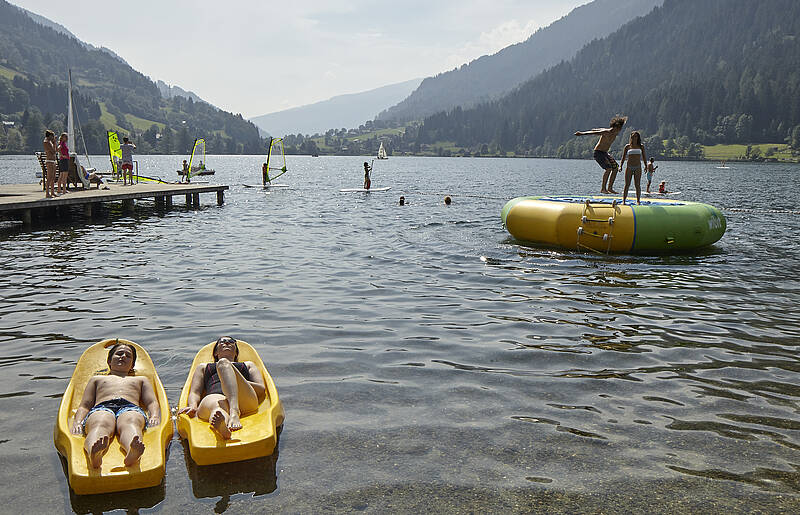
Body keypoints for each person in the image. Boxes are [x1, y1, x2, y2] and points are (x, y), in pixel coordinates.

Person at [69, 343, 161, 469]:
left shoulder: (140, 380)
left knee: (131, 421)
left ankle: (132, 451)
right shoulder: (97, 379)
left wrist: (154, 416)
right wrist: (78, 422)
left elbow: (152, 402)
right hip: (102, 407)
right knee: (100, 422)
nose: (123, 356)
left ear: (132, 365)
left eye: (128, 356)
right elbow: (85, 405)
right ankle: (94, 453)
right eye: (119, 354)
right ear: (109, 361)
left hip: (130, 407)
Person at [178, 336, 266, 439]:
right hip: (216, 397)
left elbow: (261, 389)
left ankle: (234, 411)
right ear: (215, 352)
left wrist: (234, 379)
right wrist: (193, 406)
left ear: (236, 352)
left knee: (224, 363)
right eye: (222, 342)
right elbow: (195, 392)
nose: (227, 343)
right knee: (217, 410)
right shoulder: (204, 367)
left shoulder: (248, 365)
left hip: (243, 399)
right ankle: (221, 426)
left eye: (231, 342)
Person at [574, 116, 627, 194]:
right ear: (614, 127)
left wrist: (596, 129)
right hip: (598, 153)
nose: (619, 130)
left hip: (605, 153)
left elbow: (600, 130)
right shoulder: (607, 132)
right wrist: (582, 133)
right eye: (618, 128)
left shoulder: (614, 134)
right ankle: (603, 189)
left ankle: (610, 188)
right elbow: (594, 133)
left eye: (620, 128)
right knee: (608, 169)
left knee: (615, 168)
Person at [619, 131, 647, 205]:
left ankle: (638, 201)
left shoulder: (641, 146)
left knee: (637, 184)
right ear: (631, 138)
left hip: (638, 167)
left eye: (635, 136)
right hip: (629, 167)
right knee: (627, 184)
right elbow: (623, 157)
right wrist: (620, 166)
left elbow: (644, 157)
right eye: (632, 136)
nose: (634, 138)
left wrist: (646, 166)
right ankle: (624, 201)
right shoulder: (627, 146)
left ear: (638, 137)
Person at [43, 130, 57, 198]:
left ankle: (52, 192)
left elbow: (55, 150)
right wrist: (54, 143)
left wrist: (54, 143)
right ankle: (47, 193)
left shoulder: (50, 142)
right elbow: (53, 151)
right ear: (49, 136)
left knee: (53, 178)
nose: (53, 137)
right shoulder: (47, 142)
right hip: (49, 161)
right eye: (52, 136)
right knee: (49, 177)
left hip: (53, 161)